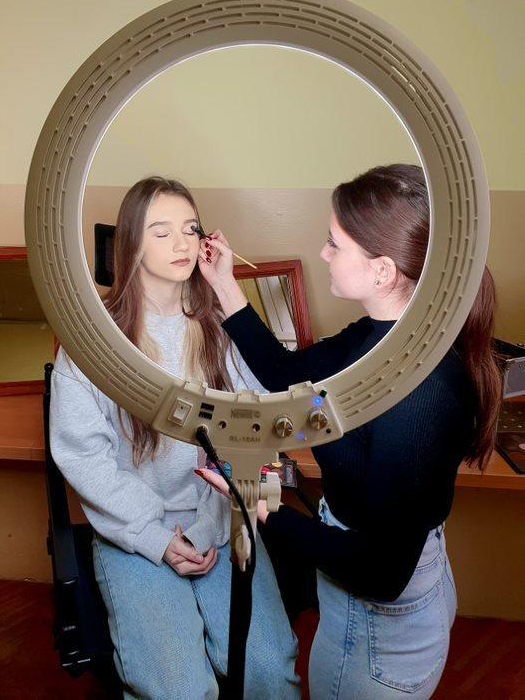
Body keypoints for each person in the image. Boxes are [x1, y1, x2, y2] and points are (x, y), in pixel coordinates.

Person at [197, 164, 502, 700]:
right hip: (371, 584)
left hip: (379, 619)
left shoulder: (419, 394)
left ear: (382, 270)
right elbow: (286, 376)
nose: (323, 254)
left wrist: (259, 505)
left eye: (334, 244)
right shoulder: (383, 335)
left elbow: (380, 573)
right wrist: (224, 282)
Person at [50, 176, 300, 700]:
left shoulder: (223, 328)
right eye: (161, 232)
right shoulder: (91, 343)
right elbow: (86, 459)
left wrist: (210, 525)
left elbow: (263, 418)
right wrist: (157, 539)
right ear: (130, 244)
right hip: (136, 532)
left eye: (191, 229)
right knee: (179, 689)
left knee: (269, 670)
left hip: (219, 522)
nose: (182, 243)